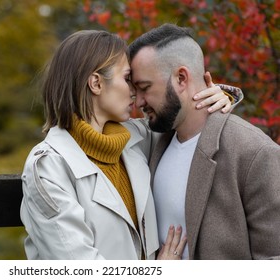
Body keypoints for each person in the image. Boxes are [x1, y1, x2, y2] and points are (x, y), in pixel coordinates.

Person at [20, 30, 240, 260]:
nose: (135, 93)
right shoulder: (47, 168)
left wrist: (223, 96)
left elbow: (180, 111)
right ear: (96, 83)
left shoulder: (134, 139)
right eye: (127, 79)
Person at [129, 23, 280, 260]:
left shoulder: (255, 153)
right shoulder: (152, 143)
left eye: (145, 88)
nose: (138, 102)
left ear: (181, 77)